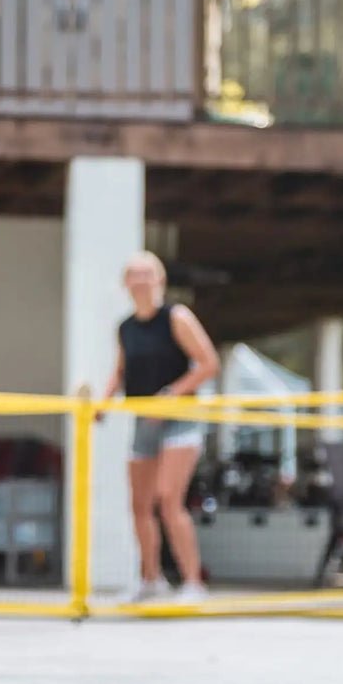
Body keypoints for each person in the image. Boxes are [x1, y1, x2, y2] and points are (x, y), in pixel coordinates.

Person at [104, 251, 219, 603]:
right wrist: (102, 403)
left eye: (147, 274)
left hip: (179, 419)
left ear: (160, 279)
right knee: (140, 505)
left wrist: (171, 394)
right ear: (125, 283)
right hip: (144, 420)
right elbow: (121, 371)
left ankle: (193, 582)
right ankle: (150, 580)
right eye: (134, 274)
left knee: (169, 499)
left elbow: (207, 363)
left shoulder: (176, 318)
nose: (141, 280)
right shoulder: (125, 327)